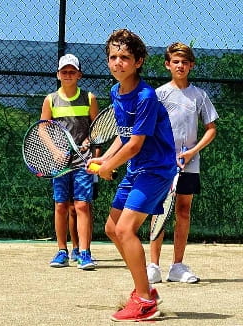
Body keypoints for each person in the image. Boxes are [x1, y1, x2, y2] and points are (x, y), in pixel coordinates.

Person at [88, 29, 176, 322]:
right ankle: (146, 292)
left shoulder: (145, 97)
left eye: (124, 57)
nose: (117, 63)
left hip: (156, 169)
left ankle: (144, 301)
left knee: (126, 229)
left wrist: (109, 166)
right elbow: (123, 136)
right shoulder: (116, 92)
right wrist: (105, 159)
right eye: (113, 57)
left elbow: (137, 143)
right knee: (113, 228)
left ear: (138, 61)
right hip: (136, 168)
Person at [147, 42, 218, 284]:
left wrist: (192, 152)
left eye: (185, 62)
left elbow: (210, 129)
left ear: (191, 65)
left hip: (189, 163)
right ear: (168, 64)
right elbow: (149, 129)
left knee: (183, 211)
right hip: (162, 164)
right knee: (159, 211)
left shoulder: (199, 95)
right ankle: (153, 266)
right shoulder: (159, 94)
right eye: (175, 61)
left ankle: (177, 266)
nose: (180, 65)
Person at [41, 53, 99, 270]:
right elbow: (43, 127)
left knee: (82, 205)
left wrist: (88, 141)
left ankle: (84, 252)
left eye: (71, 71)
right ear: (58, 74)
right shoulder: (50, 100)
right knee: (61, 205)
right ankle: (62, 251)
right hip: (59, 162)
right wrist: (55, 150)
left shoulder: (90, 98)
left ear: (79, 75)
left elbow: (97, 129)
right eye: (64, 71)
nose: (68, 75)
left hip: (83, 160)